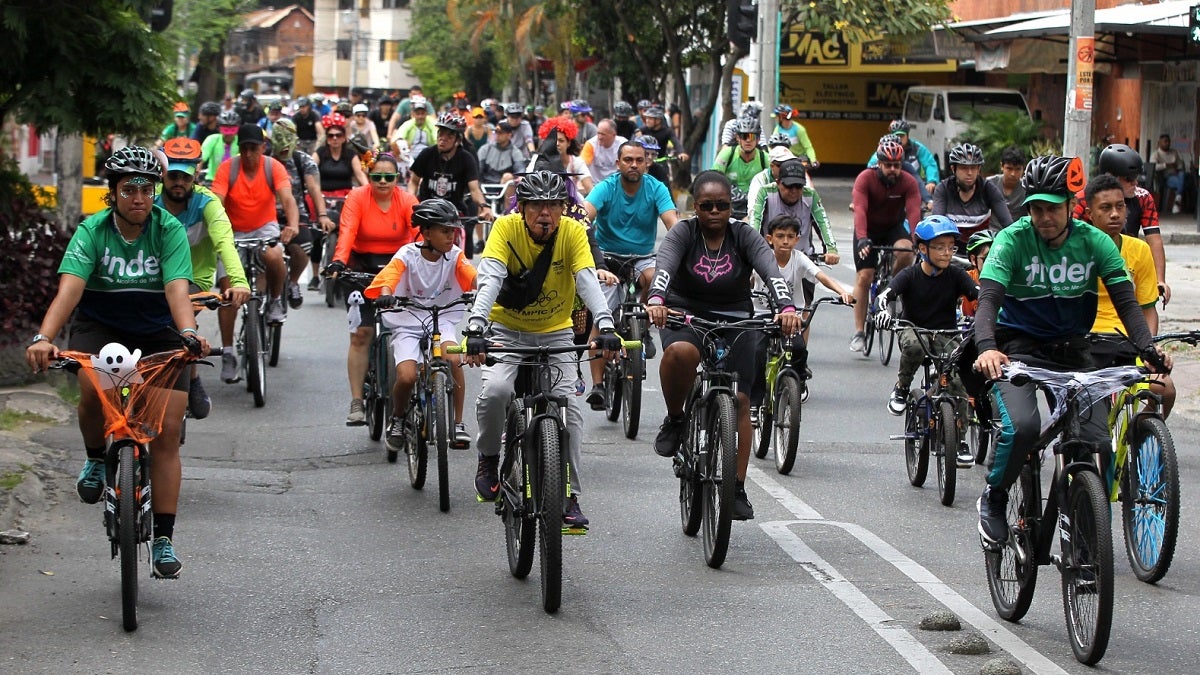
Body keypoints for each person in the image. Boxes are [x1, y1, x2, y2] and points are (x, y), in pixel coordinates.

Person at [25, 146, 212, 579]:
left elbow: (177, 291)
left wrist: (188, 333)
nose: (139, 198)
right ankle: (95, 458)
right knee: (93, 389)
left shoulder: (168, 230)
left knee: (166, 431)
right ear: (113, 193)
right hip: (100, 325)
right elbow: (69, 291)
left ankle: (164, 538)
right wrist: (44, 338)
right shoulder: (92, 231)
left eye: (147, 189)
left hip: (159, 330)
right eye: (129, 189)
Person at [973, 155, 1169, 548]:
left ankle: (1080, 525)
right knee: (1024, 427)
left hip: (1074, 350)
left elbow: (1128, 304)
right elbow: (988, 302)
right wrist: (988, 348)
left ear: (1070, 205)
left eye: (1053, 208)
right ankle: (994, 499)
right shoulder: (1012, 240)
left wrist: (1148, 348)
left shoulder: (1094, 241)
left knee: (1093, 440)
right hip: (1017, 350)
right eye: (1036, 209)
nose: (1044, 217)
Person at [461, 171, 623, 527]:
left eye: (553, 205)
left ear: (564, 208)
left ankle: (569, 496)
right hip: (506, 330)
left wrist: (607, 325)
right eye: (536, 206)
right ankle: (489, 457)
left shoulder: (573, 232)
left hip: (556, 332)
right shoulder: (504, 229)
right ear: (522, 209)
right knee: (497, 391)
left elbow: (586, 279)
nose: (545, 214)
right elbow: (489, 279)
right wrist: (475, 327)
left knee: (570, 409)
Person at [646, 171, 801, 520]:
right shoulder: (682, 233)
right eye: (707, 206)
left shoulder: (743, 234)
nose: (715, 212)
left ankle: (736, 488)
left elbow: (770, 270)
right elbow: (664, 268)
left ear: (731, 206)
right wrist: (657, 298)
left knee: (742, 400)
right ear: (694, 207)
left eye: (723, 205)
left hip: (736, 318)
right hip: (686, 314)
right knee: (680, 353)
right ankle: (674, 419)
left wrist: (786, 307)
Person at [364, 199, 476, 451]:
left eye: (454, 231)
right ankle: (398, 419)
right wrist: (385, 293)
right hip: (408, 321)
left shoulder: (455, 255)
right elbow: (390, 277)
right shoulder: (407, 254)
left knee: (455, 360)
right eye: (445, 231)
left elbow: (471, 275)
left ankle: (458, 424)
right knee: (406, 376)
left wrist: (484, 288)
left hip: (441, 319)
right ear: (426, 233)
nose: (452, 236)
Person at [324, 153, 421, 425]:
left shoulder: (406, 200)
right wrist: (339, 262)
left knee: (411, 328)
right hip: (360, 265)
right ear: (368, 177)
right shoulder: (356, 197)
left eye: (388, 177)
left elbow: (420, 236)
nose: (382, 182)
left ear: (397, 179)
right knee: (361, 334)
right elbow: (347, 232)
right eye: (376, 176)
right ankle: (357, 401)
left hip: (398, 264)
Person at [581, 140, 680, 406]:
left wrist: (687, 244)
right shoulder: (607, 187)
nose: (634, 165)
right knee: (601, 314)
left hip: (642, 258)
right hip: (608, 259)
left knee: (655, 278)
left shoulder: (656, 188)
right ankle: (598, 384)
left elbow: (673, 222)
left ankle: (643, 327)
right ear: (618, 164)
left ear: (646, 163)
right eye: (628, 160)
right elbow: (585, 215)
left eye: (639, 160)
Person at [157, 138, 251, 415]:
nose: (178, 182)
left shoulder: (208, 203)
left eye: (185, 176)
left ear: (196, 174)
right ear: (162, 174)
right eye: (172, 175)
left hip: (192, 279)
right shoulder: (148, 201)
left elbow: (225, 244)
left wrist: (239, 283)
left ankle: (193, 379)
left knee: (181, 321)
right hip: (152, 277)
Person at [875, 215, 977, 466]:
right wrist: (884, 314)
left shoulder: (956, 275)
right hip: (913, 329)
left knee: (958, 382)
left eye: (951, 247)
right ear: (922, 249)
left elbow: (981, 296)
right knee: (913, 347)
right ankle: (901, 388)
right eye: (939, 247)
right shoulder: (909, 275)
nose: (946, 253)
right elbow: (885, 296)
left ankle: (960, 438)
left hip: (946, 334)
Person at [1085, 174, 1176, 418]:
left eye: (1120, 206)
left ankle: (1142, 430)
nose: (1114, 214)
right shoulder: (1077, 250)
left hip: (1130, 341)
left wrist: (1150, 346)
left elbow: (1148, 309)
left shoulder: (1139, 250)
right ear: (1090, 214)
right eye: (1105, 208)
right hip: (1087, 342)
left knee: (1164, 389)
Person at [210, 125, 299, 362]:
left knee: (274, 255)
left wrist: (292, 224)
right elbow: (216, 202)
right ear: (239, 148)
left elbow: (287, 198)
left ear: (263, 147)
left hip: (264, 228)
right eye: (245, 148)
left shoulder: (273, 167)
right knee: (228, 290)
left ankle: (276, 301)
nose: (249, 154)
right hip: (232, 231)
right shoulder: (228, 169)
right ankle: (228, 352)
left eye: (254, 148)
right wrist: (214, 228)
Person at [749, 214, 854, 409]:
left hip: (791, 316)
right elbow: (746, 280)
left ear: (798, 239)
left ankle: (799, 379)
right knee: (756, 352)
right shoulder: (762, 259)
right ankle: (754, 403)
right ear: (769, 238)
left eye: (791, 236)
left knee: (798, 348)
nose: (786, 241)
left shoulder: (799, 259)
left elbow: (821, 276)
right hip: (762, 315)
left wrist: (843, 292)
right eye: (780, 236)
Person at [1072, 143, 1170, 306]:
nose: (1135, 183)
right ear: (1111, 177)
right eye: (1129, 179)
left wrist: (1160, 280)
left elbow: (1154, 239)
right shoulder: (1084, 197)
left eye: (1120, 206)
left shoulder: (1143, 197)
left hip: (1129, 261)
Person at [849, 138, 920, 353]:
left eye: (897, 165)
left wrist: (918, 241)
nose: (892, 169)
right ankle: (860, 332)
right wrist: (862, 238)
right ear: (878, 164)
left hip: (892, 228)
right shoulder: (865, 179)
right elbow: (860, 210)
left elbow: (914, 213)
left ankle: (892, 286)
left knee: (907, 251)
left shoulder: (908, 182)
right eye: (887, 165)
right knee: (865, 276)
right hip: (867, 229)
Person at [747, 158, 839, 309]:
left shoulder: (811, 196)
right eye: (789, 186)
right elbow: (754, 222)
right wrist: (752, 251)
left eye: (798, 186)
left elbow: (823, 223)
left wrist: (831, 250)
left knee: (805, 310)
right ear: (778, 182)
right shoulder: (766, 192)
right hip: (769, 259)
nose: (794, 191)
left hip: (802, 257)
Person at [409, 112, 493, 255]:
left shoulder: (466, 159)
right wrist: (409, 202)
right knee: (415, 248)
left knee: (461, 251)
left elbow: (474, 189)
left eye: (449, 135)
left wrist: (484, 206)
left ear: (457, 140)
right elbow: (413, 181)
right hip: (427, 212)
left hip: (453, 213)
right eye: (440, 133)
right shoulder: (427, 154)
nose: (443, 138)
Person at [270, 119, 329, 309]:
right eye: (280, 140)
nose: (284, 147)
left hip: (296, 213)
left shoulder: (303, 160)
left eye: (289, 140)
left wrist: (322, 215)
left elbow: (313, 188)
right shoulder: (264, 159)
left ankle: (293, 282)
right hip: (265, 213)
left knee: (302, 248)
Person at [931, 143, 1013, 244]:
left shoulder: (988, 189)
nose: (969, 173)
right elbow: (936, 224)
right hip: (951, 250)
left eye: (973, 168)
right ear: (953, 169)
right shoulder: (943, 189)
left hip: (980, 250)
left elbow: (1008, 224)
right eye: (964, 168)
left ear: (978, 169)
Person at [868, 120, 939, 203]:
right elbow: (871, 167)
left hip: (914, 187)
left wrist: (931, 181)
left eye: (902, 136)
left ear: (907, 135)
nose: (899, 139)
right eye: (896, 136)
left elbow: (930, 164)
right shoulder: (884, 149)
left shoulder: (917, 148)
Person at [712, 117, 769, 209]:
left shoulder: (765, 157)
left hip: (756, 205)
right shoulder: (727, 153)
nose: (748, 140)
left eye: (752, 137)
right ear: (738, 138)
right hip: (729, 205)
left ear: (758, 139)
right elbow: (713, 179)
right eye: (744, 136)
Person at [536, 117, 593, 197]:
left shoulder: (577, 162)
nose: (557, 144)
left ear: (568, 143)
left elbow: (590, 188)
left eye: (561, 140)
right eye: (553, 140)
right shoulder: (536, 160)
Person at [984, 146, 1028, 220]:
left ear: (1023, 169)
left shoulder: (1027, 187)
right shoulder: (989, 184)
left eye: (1018, 169)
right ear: (1002, 166)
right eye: (1009, 168)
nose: (1013, 174)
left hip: (1017, 230)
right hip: (992, 230)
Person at [476, 120, 524, 185]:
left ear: (509, 135)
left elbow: (520, 170)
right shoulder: (485, 149)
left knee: (508, 176)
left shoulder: (516, 152)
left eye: (501, 133)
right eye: (496, 132)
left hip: (505, 186)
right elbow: (478, 170)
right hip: (484, 184)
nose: (497, 135)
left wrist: (519, 178)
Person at [770, 104, 818, 169]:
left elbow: (808, 147)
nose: (776, 119)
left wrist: (813, 160)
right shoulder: (778, 129)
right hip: (785, 158)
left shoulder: (799, 130)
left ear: (782, 117)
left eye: (777, 117)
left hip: (800, 158)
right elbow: (772, 146)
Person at [198, 110, 241, 182]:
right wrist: (196, 175)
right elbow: (200, 160)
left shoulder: (241, 140)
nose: (229, 134)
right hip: (213, 180)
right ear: (219, 129)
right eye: (225, 130)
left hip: (235, 182)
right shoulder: (212, 139)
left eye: (233, 130)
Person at [580, 119, 626, 184]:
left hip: (616, 184)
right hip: (596, 185)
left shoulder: (623, 144)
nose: (599, 137)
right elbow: (582, 166)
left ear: (614, 135)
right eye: (598, 133)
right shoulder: (591, 144)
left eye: (603, 134)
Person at [960, 230, 992, 318]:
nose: (993, 264)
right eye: (986, 259)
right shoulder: (965, 277)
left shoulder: (1007, 279)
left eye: (996, 258)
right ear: (973, 260)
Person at [1151, 134, 1184, 213]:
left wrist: (1177, 167)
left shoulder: (1174, 152)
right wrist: (1166, 165)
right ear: (1159, 143)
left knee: (1184, 176)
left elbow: (1180, 165)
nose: (1167, 143)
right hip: (1166, 177)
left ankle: (1178, 198)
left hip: (1177, 174)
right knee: (1183, 181)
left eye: (1168, 141)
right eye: (1165, 141)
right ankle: (1178, 200)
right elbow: (1153, 167)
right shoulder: (1156, 154)